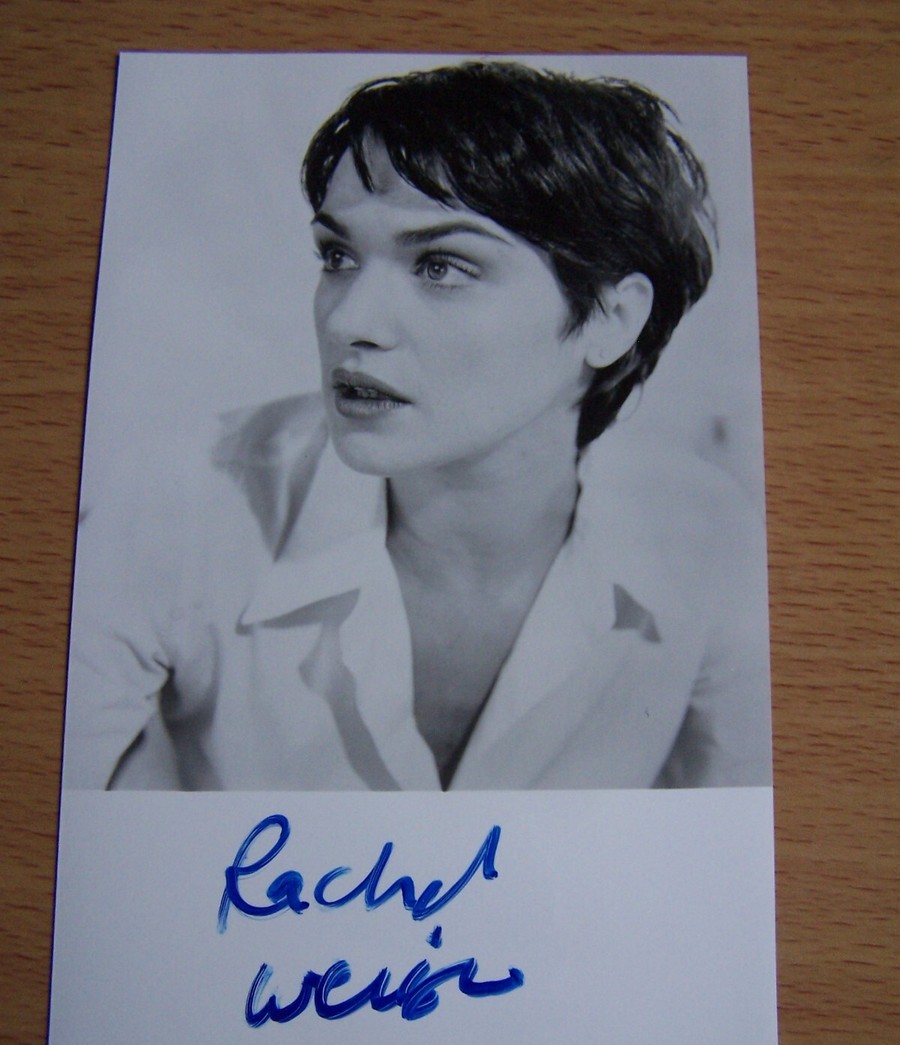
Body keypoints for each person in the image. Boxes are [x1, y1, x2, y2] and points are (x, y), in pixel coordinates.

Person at [63, 60, 772, 791]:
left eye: (441, 266)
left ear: (610, 319)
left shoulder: (706, 539)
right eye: (337, 256)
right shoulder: (179, 503)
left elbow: (740, 836)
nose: (349, 320)